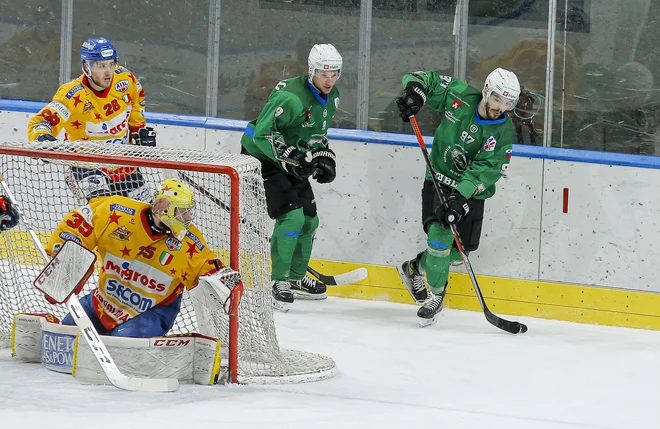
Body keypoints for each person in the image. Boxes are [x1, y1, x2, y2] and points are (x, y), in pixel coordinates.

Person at [395, 67, 520, 326]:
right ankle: (436, 296)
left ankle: (414, 268)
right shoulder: (459, 95)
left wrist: (461, 197)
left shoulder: (502, 130)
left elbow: (487, 168)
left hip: (470, 193)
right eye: (498, 99)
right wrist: (414, 92)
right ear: (486, 91)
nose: (501, 107)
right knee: (439, 242)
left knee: (458, 254)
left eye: (508, 103)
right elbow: (423, 78)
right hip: (439, 180)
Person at [45, 178, 241, 337]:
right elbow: (80, 222)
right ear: (164, 207)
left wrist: (227, 284)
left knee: (122, 346)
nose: (188, 218)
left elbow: (208, 268)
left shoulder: (190, 242)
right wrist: (63, 266)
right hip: (103, 303)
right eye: (182, 212)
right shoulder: (117, 212)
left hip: (152, 313)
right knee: (65, 336)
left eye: (189, 212)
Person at [240, 43, 342, 311]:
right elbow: (262, 133)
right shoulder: (291, 97)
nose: (329, 80)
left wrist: (323, 156)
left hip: (290, 157)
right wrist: (289, 154)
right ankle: (278, 281)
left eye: (334, 74)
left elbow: (317, 134)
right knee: (292, 216)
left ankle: (296, 277)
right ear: (311, 71)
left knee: (310, 219)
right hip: (261, 156)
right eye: (323, 73)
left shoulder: (331, 96)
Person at [27, 36, 157, 204]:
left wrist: (138, 129)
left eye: (111, 64)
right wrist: (42, 138)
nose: (108, 71)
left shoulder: (125, 80)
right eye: (101, 66)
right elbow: (41, 122)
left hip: (122, 163)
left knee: (142, 213)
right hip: (85, 165)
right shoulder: (72, 95)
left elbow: (137, 100)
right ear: (86, 66)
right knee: (101, 212)